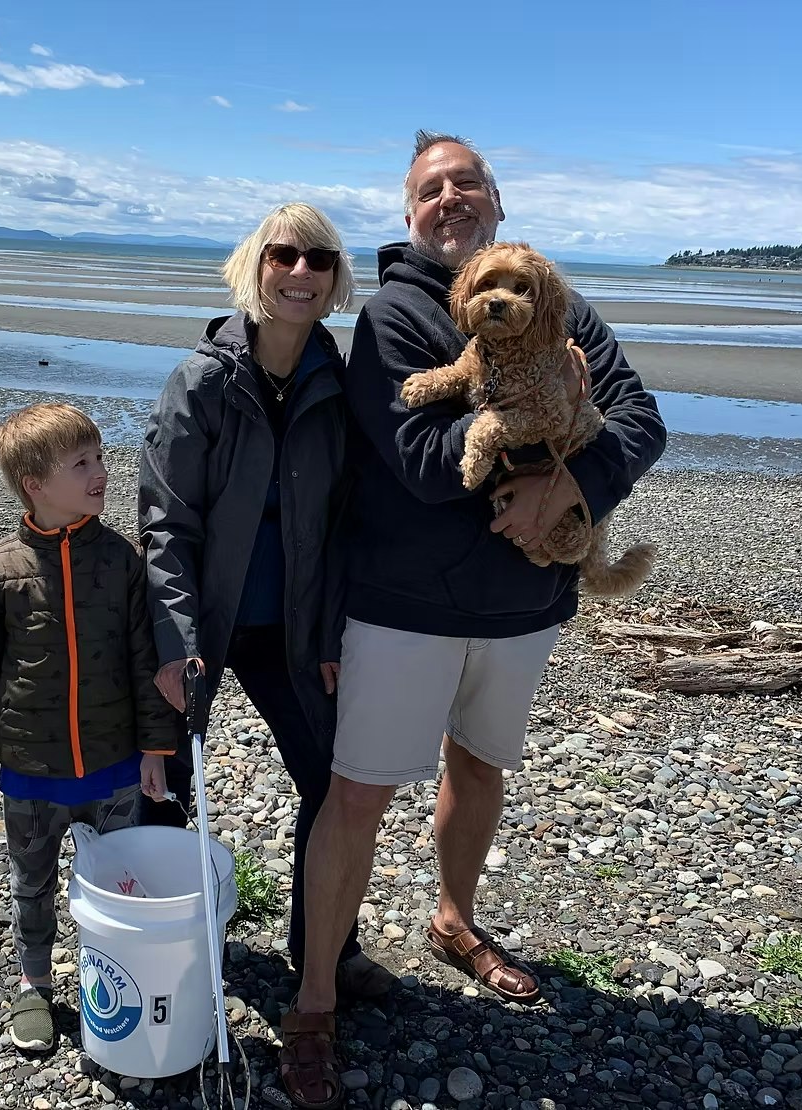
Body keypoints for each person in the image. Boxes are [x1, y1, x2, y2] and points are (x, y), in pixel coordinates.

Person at [278, 133, 667, 1109]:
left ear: (495, 201)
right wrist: (540, 479)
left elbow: (639, 421)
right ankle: (315, 1001)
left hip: (525, 606)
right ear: (409, 215)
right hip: (402, 608)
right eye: (429, 189)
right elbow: (419, 457)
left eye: (465, 184)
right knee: (357, 793)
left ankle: (455, 920)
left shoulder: (558, 303)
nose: (449, 199)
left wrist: (565, 487)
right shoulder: (395, 316)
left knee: (481, 768)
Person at [138, 202, 397, 1004]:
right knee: (163, 787)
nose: (300, 273)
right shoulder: (202, 381)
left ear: (334, 281)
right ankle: (165, 947)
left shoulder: (340, 382)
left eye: (319, 261)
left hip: (291, 631)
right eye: (283, 255)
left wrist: (327, 633)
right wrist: (175, 642)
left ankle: (326, 949)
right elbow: (165, 523)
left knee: (330, 781)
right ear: (255, 265)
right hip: (203, 628)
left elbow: (347, 523)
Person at [0, 402, 177, 1054]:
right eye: (82, 464)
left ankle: (114, 972)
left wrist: (155, 750)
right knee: (33, 882)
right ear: (36, 485)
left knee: (118, 881)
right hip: (31, 769)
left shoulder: (122, 561)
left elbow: (144, 661)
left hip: (114, 764)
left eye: (101, 457)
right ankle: (34, 983)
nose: (102, 472)